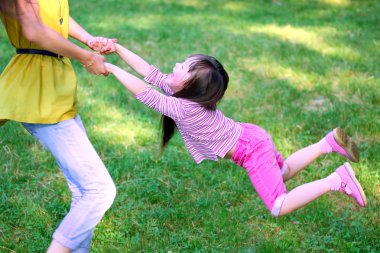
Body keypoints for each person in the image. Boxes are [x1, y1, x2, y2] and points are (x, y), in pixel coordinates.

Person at [102, 41, 367, 218]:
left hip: (250, 149)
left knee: (278, 205)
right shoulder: (187, 97)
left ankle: (336, 180)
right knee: (282, 171)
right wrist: (117, 49)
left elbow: (147, 93)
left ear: (193, 87)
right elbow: (149, 73)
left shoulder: (185, 108)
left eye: (182, 67)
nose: (175, 66)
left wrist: (112, 68)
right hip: (252, 136)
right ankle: (327, 144)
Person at [0, 1, 117, 252]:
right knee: (99, 190)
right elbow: (34, 30)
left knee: (82, 190)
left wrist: (89, 40)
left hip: (56, 84)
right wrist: (87, 58)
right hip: (37, 89)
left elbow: (54, 16)